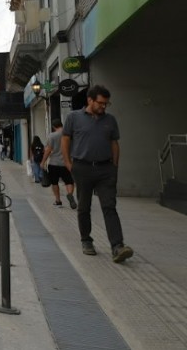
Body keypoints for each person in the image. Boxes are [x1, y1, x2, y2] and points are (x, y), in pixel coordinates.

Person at [62, 85, 133, 263]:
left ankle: (117, 246)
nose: (104, 106)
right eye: (101, 103)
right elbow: (65, 140)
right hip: (82, 168)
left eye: (106, 104)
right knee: (84, 207)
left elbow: (114, 143)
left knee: (109, 206)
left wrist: (114, 167)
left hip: (105, 169)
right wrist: (68, 164)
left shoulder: (110, 120)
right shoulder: (73, 118)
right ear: (90, 100)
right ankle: (86, 241)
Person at [40, 119, 76, 209]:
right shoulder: (70, 134)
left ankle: (58, 201)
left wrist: (43, 161)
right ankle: (70, 194)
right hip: (67, 162)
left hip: (54, 163)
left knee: (54, 182)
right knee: (69, 181)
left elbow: (48, 149)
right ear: (62, 125)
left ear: (53, 127)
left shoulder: (52, 135)